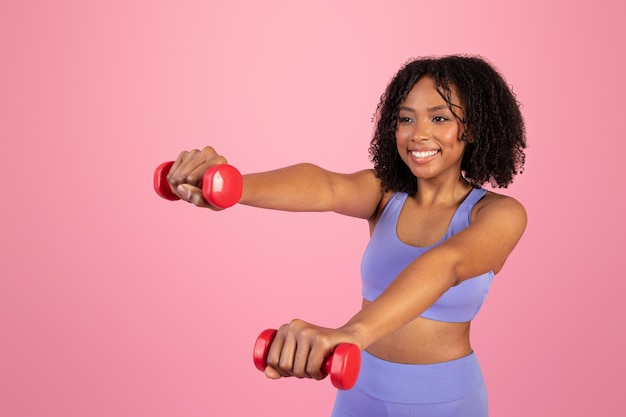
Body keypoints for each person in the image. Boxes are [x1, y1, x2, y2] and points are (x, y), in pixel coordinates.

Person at [165, 54, 527, 417]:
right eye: (405, 118)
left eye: (439, 117)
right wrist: (233, 186)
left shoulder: (499, 214)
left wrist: (354, 333)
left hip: (445, 398)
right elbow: (325, 185)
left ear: (475, 127)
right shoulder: (385, 194)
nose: (418, 133)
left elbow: (447, 263)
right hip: (360, 390)